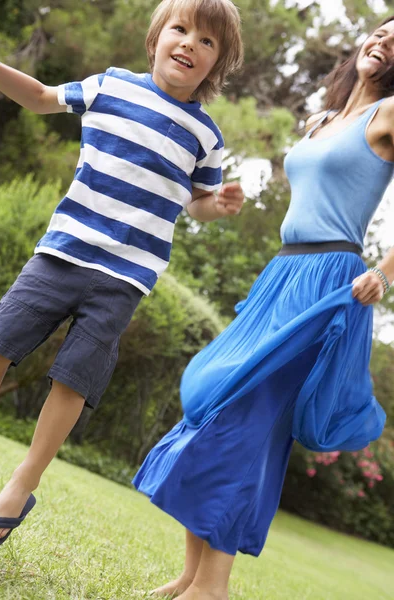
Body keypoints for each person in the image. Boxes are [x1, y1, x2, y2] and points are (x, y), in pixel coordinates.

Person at [133, 15, 394, 600]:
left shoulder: (390, 115)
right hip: (283, 272)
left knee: (249, 421)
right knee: (216, 398)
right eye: (382, 30)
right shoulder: (322, 120)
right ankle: (191, 576)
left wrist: (382, 271)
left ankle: (213, 588)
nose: (385, 41)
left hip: (331, 282)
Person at [0, 0, 245, 549]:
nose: (189, 44)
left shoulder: (205, 136)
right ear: (156, 37)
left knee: (74, 378)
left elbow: (197, 204)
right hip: (62, 252)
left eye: (207, 42)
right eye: (180, 29)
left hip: (124, 278)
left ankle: (19, 487)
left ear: (217, 64)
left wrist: (218, 205)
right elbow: (39, 98)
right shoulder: (110, 87)